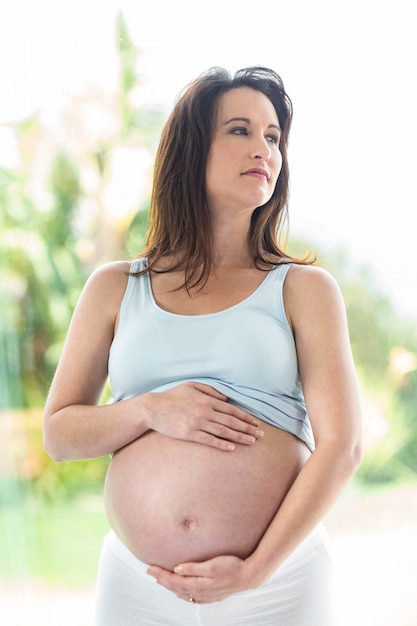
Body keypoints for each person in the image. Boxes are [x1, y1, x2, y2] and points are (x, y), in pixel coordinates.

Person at [43, 66, 363, 625]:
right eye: (240, 130)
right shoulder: (116, 287)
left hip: (279, 584)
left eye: (273, 137)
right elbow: (60, 434)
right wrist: (149, 410)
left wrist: (257, 569)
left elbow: (342, 446)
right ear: (191, 150)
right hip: (139, 587)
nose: (263, 148)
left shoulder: (304, 289)